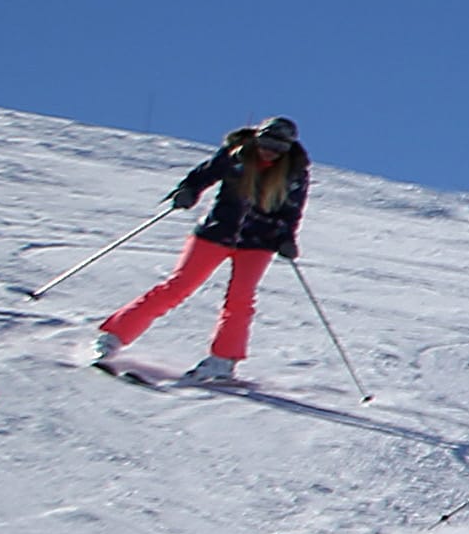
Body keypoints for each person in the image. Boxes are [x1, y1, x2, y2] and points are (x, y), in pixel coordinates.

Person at [94, 117, 311, 382]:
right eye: (266, 143)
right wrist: (187, 191)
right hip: (215, 232)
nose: (270, 152)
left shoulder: (294, 172)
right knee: (178, 285)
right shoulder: (237, 154)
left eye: (278, 148)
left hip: (259, 242)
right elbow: (204, 174)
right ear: (257, 138)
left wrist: (286, 238)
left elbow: (291, 212)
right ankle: (112, 338)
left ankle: (223, 361)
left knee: (240, 299)